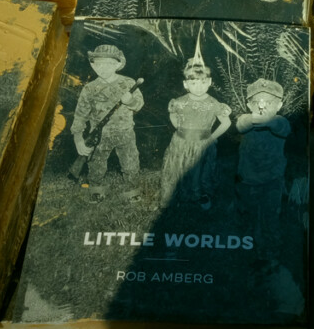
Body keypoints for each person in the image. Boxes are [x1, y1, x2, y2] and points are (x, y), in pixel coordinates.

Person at [159, 45, 232, 210]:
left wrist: (212, 138)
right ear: (186, 84)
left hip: (202, 145)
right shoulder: (179, 101)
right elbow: (173, 114)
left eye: (203, 82)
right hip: (180, 144)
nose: (198, 86)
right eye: (193, 82)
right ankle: (171, 199)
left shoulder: (214, 104)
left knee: (200, 173)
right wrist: (179, 128)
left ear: (210, 82)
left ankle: (201, 197)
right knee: (175, 170)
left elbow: (226, 123)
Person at [71, 44, 143, 191]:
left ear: (118, 64)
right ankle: (96, 189)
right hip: (100, 135)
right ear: (93, 65)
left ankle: (132, 190)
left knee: (130, 163)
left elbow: (139, 105)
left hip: (126, 132)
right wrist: (78, 138)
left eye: (108, 63)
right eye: (98, 63)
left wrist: (130, 101)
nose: (103, 68)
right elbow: (80, 115)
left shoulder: (129, 83)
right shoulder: (89, 88)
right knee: (96, 164)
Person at [236, 77, 290, 262]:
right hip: (247, 180)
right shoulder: (246, 119)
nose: (262, 106)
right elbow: (240, 124)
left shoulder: (281, 121)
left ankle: (272, 253)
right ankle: (246, 251)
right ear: (249, 104)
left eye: (269, 102)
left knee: (270, 217)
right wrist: (256, 117)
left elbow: (281, 127)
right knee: (247, 215)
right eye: (256, 102)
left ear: (280, 104)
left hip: (272, 181)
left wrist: (268, 120)